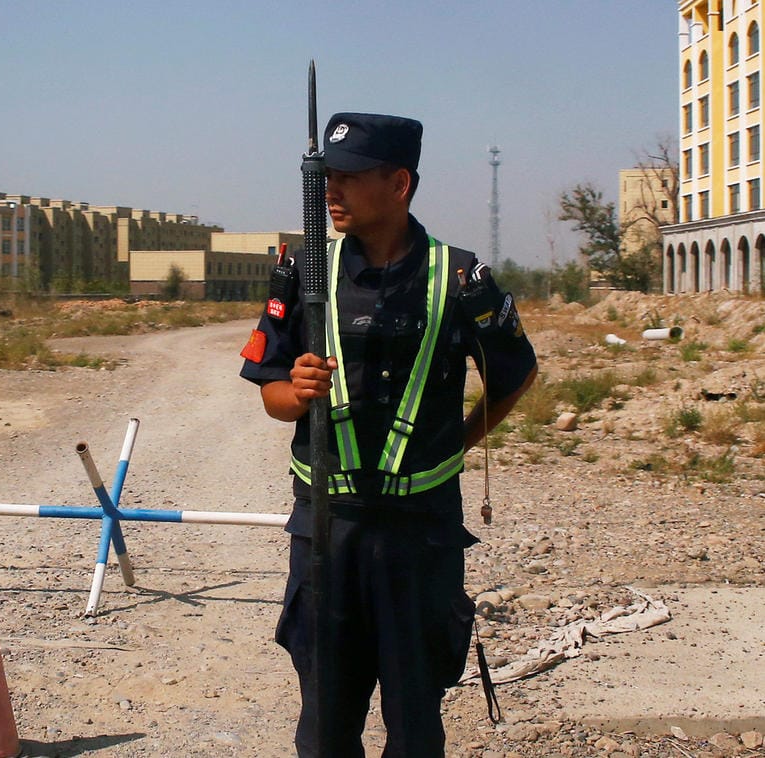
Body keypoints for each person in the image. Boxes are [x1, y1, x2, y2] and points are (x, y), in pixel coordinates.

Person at [240, 112, 537, 757]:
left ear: (399, 183)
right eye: (326, 178)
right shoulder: (302, 272)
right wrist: (298, 392)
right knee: (324, 724)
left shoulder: (459, 278)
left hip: (420, 531)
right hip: (327, 526)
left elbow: (516, 372)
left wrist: (459, 440)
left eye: (348, 178)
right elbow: (270, 393)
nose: (331, 192)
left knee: (416, 724)